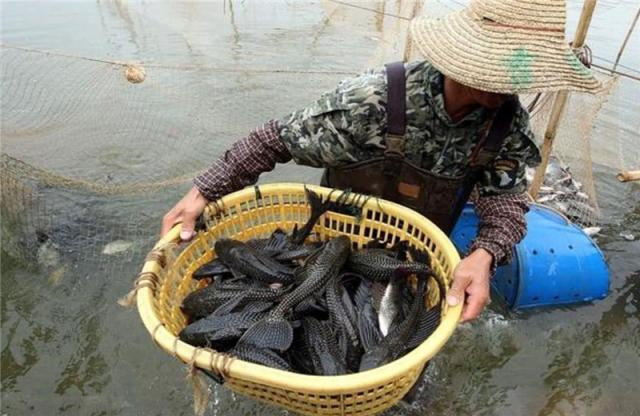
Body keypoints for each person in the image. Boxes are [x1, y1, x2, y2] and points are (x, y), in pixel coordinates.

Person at [160, 0, 601, 322]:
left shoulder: (507, 125)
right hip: (332, 246)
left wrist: (484, 254)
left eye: (521, 73)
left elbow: (504, 201)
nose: (512, 87)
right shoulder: (375, 102)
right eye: (504, 71)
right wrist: (204, 191)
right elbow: (276, 139)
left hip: (416, 258)